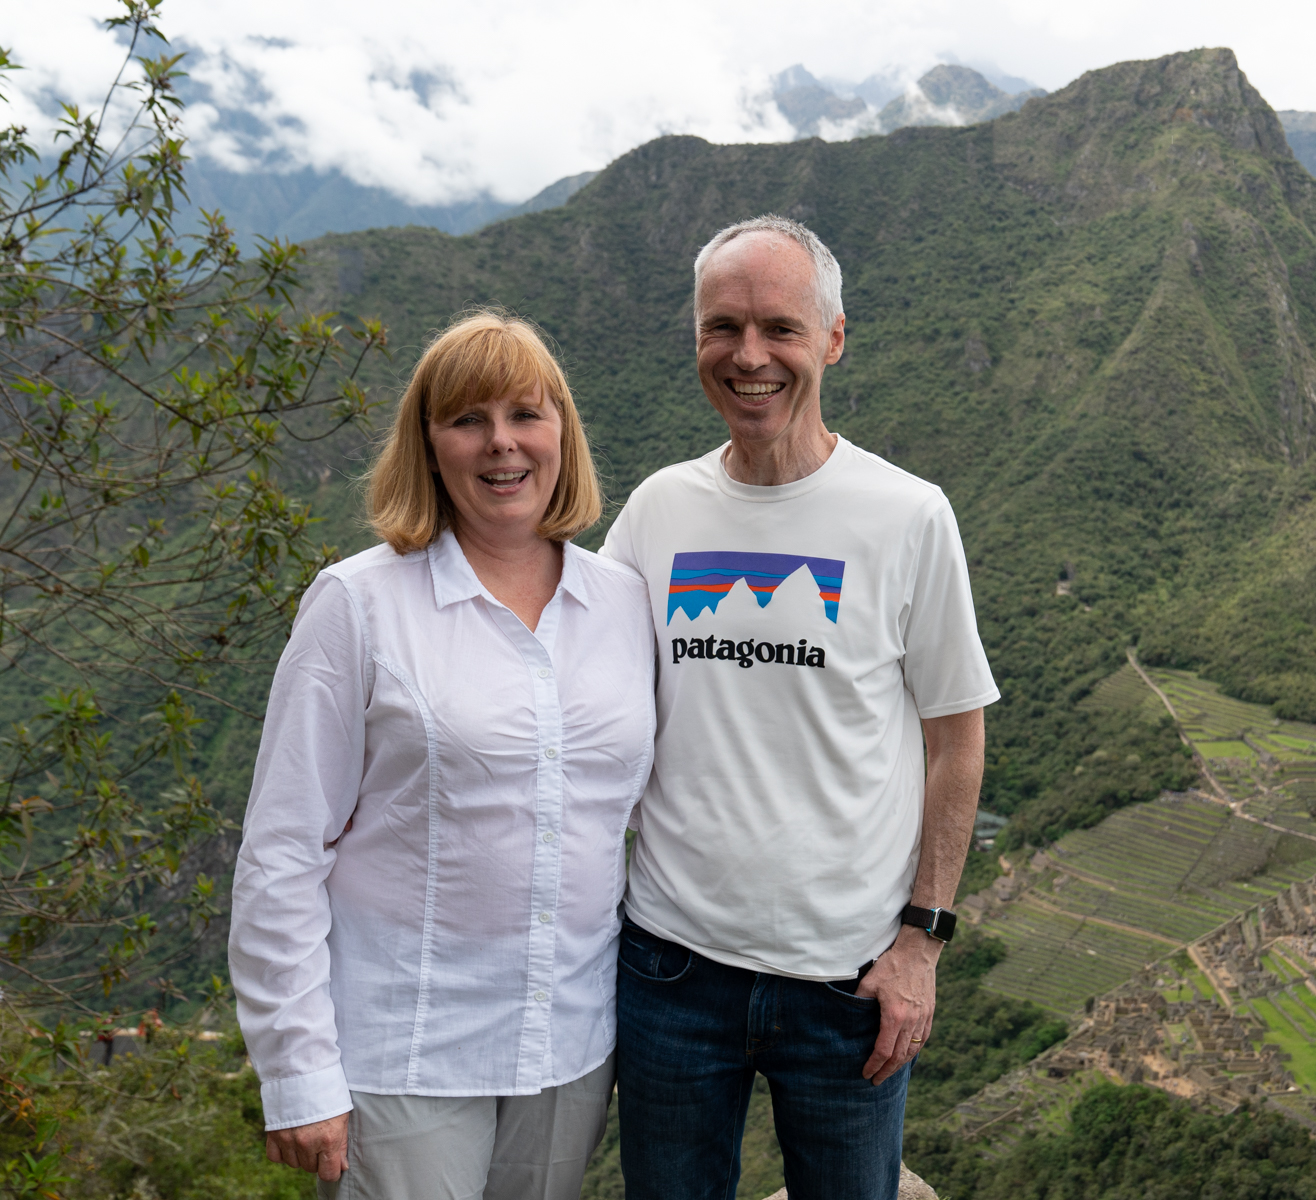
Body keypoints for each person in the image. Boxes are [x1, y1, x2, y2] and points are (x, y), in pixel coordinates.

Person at [602, 215, 999, 1200]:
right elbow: (577, 694)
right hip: (670, 972)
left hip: (848, 983)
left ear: (832, 338)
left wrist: (922, 944)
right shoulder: (657, 512)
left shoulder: (907, 516)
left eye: (779, 328)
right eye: (722, 328)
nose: (749, 356)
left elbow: (956, 740)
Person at [229, 311, 655, 1199]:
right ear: (429, 446)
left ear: (563, 433)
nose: (502, 445)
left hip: (569, 1048)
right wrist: (296, 1069)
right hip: (405, 1050)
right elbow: (281, 849)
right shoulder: (358, 605)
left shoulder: (622, 602)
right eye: (468, 421)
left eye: (525, 416)